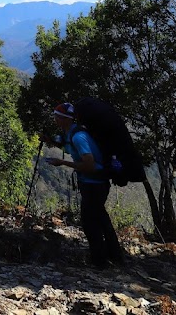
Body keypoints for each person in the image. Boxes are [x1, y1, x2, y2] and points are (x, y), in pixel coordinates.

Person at [46, 101, 125, 269]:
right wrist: (51, 141)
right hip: (94, 183)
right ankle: (116, 256)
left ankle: (99, 262)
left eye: (57, 116)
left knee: (90, 223)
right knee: (102, 219)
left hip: (94, 184)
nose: (54, 119)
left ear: (65, 119)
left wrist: (62, 162)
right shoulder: (71, 133)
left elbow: (89, 164)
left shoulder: (78, 136)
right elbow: (70, 148)